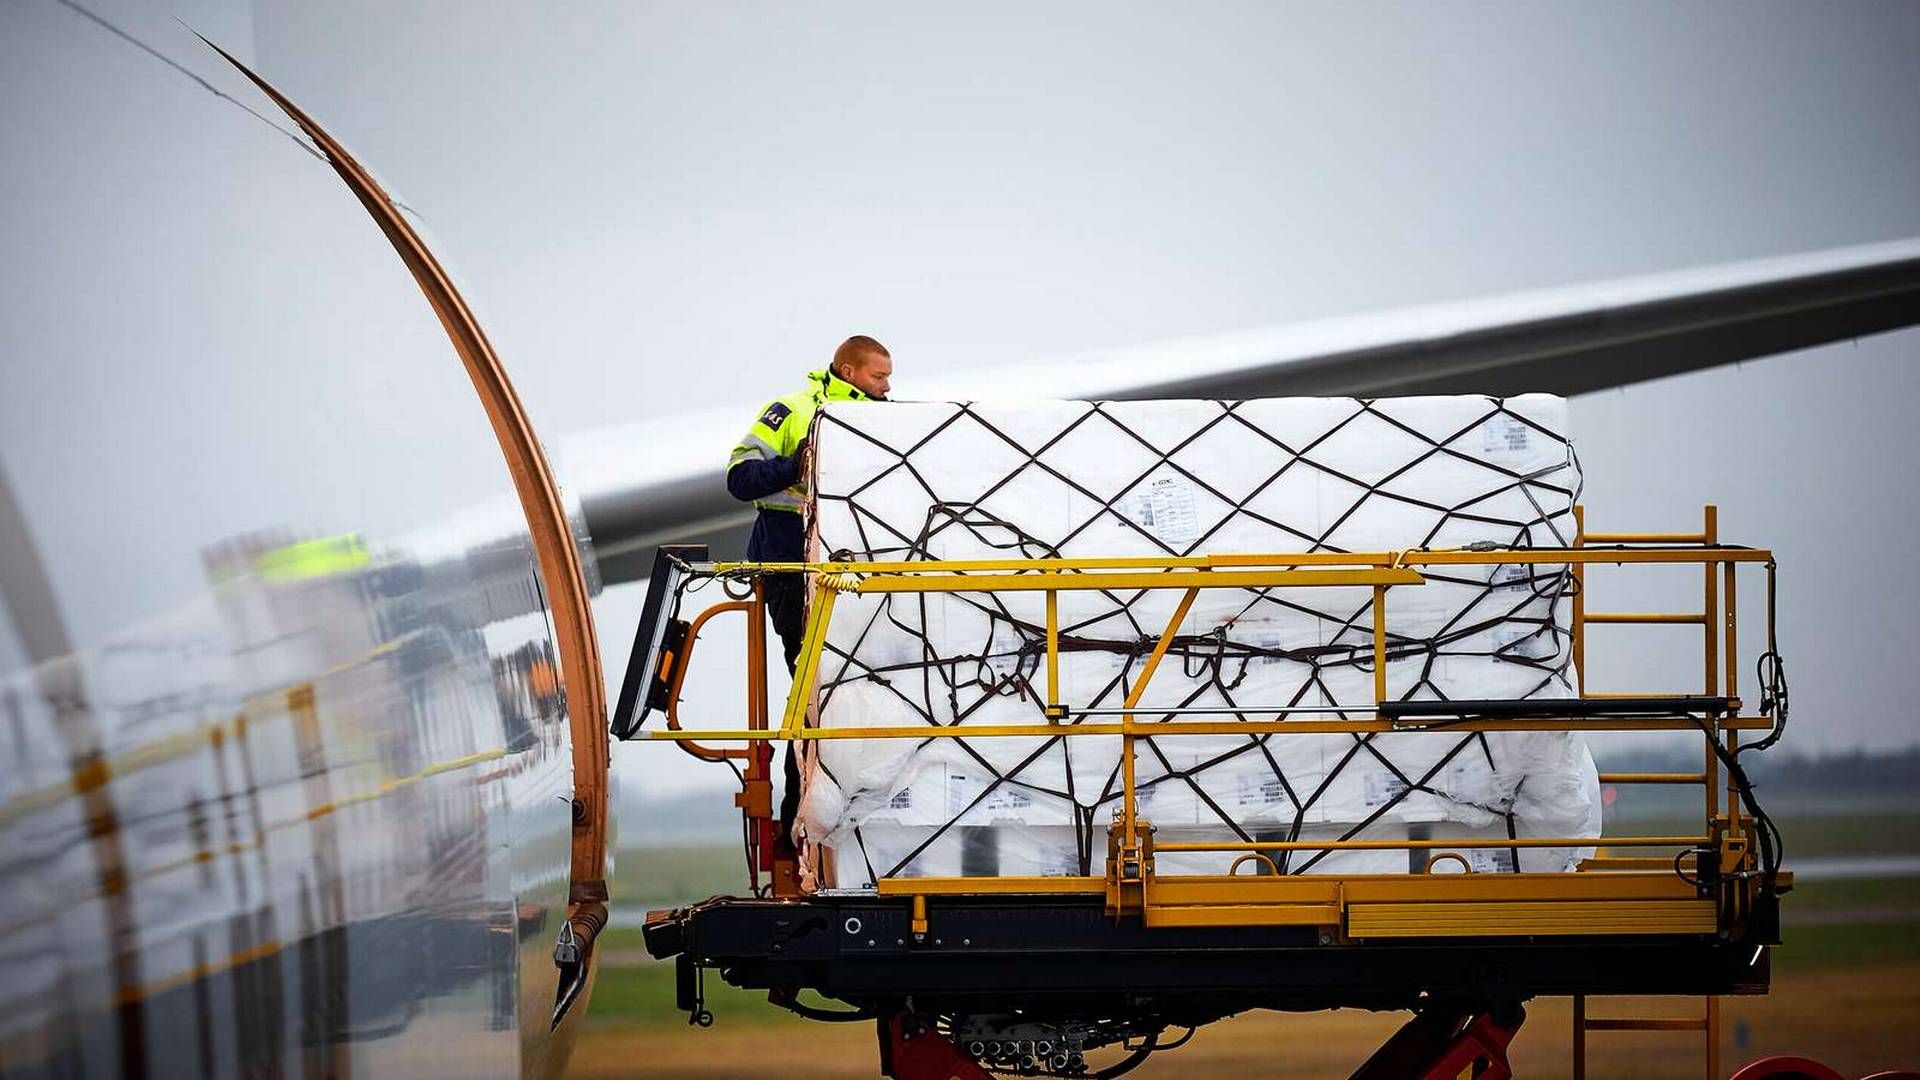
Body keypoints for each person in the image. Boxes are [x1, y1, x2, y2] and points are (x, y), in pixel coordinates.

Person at [726, 335, 893, 841]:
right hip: (790, 568)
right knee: (813, 694)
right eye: (878, 377)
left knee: (865, 688)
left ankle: (850, 811)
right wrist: (795, 463)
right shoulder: (791, 411)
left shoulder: (889, 421)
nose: (887, 386)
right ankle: (796, 820)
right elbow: (739, 478)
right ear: (847, 370)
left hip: (858, 575)